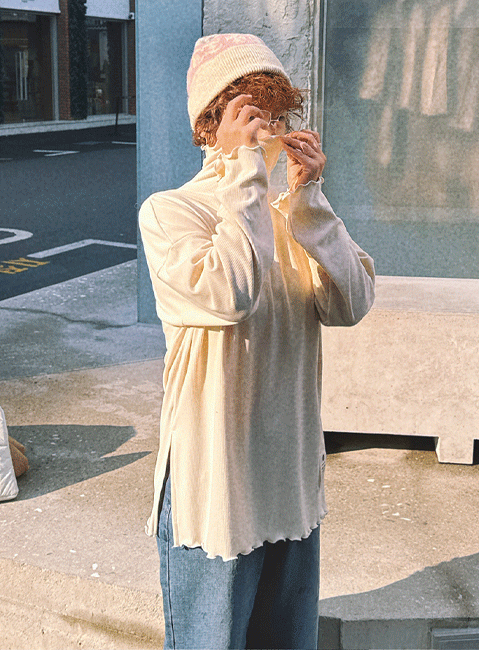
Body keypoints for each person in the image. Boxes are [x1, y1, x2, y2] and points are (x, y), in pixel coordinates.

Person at [139, 33, 375, 650]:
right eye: (247, 111)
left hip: (288, 476)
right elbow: (230, 293)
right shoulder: (170, 213)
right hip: (214, 480)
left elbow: (350, 303)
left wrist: (310, 200)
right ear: (208, 124)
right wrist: (246, 174)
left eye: (274, 112)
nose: (265, 128)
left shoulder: (288, 213)